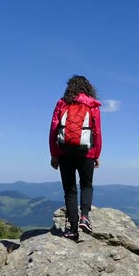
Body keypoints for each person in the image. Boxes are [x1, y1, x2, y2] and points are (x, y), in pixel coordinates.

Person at [49, 75, 102, 240]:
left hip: (64, 152)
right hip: (86, 152)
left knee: (70, 191)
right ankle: (84, 217)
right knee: (86, 185)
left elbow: (53, 130)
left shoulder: (62, 103)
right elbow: (97, 132)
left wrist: (54, 155)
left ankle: (72, 229)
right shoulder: (92, 105)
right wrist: (96, 154)